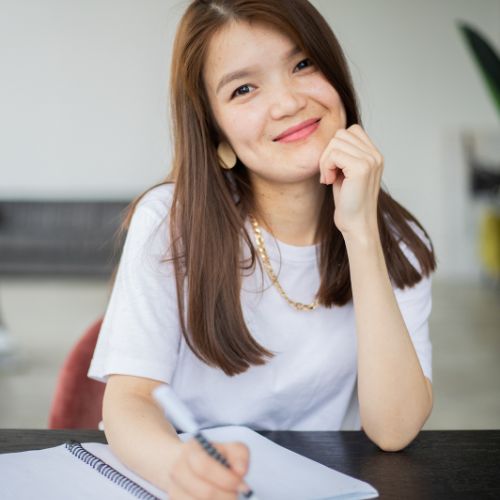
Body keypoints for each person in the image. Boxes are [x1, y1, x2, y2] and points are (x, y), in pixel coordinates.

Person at [88, 0, 437, 498]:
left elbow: (394, 429)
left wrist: (360, 231)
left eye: (302, 64)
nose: (288, 101)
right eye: (244, 88)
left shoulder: (400, 243)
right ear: (217, 136)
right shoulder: (170, 223)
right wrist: (178, 467)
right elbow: (129, 401)